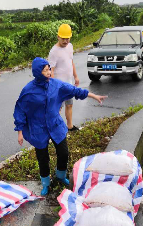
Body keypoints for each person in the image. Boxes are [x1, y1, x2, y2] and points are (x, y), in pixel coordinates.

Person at [14, 57, 107, 196]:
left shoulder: (56, 85)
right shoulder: (28, 90)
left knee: (63, 153)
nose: (49, 72)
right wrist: (20, 131)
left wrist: (93, 95)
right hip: (38, 128)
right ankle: (46, 183)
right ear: (37, 72)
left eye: (49, 69)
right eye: (45, 70)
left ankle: (61, 175)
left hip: (55, 124)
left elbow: (74, 90)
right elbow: (20, 109)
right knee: (43, 158)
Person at [48, 23, 80, 132]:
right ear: (58, 37)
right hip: (58, 86)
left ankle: (70, 126)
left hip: (69, 84)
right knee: (57, 108)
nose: (66, 41)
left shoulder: (69, 47)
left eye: (68, 38)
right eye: (63, 39)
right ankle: (54, 129)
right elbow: (50, 70)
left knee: (69, 105)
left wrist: (75, 76)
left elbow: (71, 62)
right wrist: (53, 86)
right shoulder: (54, 52)